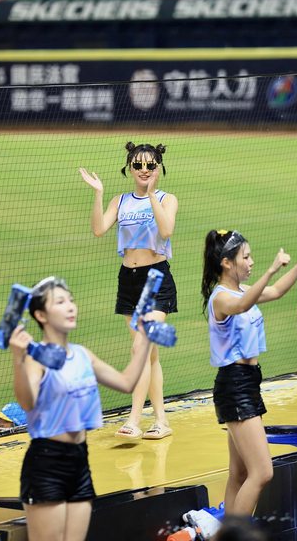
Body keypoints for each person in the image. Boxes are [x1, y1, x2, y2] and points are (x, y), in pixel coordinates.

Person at [8, 276, 152, 541]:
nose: (70, 306)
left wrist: (144, 339)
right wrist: (18, 360)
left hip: (79, 461)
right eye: (60, 302)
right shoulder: (36, 359)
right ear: (41, 315)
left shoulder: (82, 355)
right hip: (47, 464)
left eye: (71, 300)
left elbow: (126, 382)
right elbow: (28, 403)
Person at [201, 230, 297, 515]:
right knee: (262, 472)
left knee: (239, 473)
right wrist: (271, 269)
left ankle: (227, 532)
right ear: (226, 263)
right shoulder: (221, 298)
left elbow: (277, 291)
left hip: (247, 383)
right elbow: (242, 305)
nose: (251, 262)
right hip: (234, 386)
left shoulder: (243, 290)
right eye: (245, 257)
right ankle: (237, 533)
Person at [79, 142, 178, 441]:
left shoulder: (167, 199)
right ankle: (161, 420)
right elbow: (99, 229)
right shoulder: (120, 201)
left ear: (158, 168)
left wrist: (151, 194)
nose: (144, 170)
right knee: (149, 356)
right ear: (130, 168)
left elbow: (166, 231)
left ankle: (134, 420)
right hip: (129, 280)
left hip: (155, 278)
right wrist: (98, 194)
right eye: (138, 165)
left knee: (140, 349)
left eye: (150, 165)